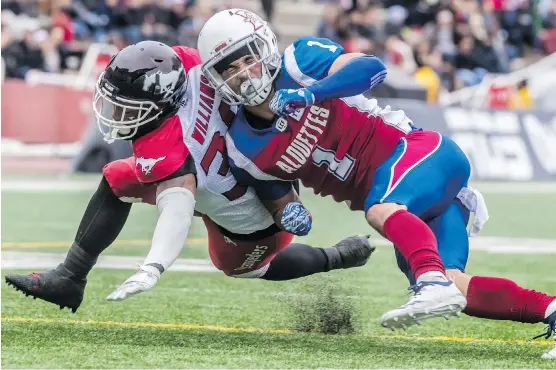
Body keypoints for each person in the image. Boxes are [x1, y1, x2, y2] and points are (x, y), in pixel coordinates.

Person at [196, 8, 556, 354]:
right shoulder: (243, 146)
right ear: (217, 79)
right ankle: (548, 309)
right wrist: (291, 214)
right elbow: (280, 201)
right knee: (455, 285)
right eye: (230, 69)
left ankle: (430, 283)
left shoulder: (299, 63)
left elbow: (371, 69)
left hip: (420, 155)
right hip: (408, 205)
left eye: (248, 59)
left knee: (388, 219)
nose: (244, 73)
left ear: (266, 48)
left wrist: (311, 93)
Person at [5, 41, 374, 311]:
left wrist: (153, 266)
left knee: (245, 268)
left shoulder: (168, 146)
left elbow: (177, 210)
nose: (117, 116)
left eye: (128, 107)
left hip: (253, 219)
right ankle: (71, 276)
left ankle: (337, 256)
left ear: (161, 101)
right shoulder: (191, 63)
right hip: (247, 165)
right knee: (118, 176)